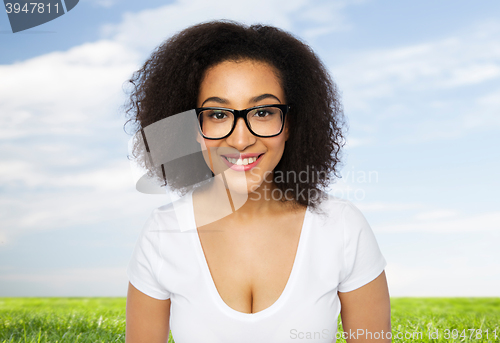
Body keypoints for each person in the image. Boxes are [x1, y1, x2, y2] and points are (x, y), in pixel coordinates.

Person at [124, 20, 391, 343]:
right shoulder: (162, 233)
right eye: (219, 115)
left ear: (290, 123)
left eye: (263, 112)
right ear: (194, 128)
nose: (240, 140)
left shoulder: (342, 227)